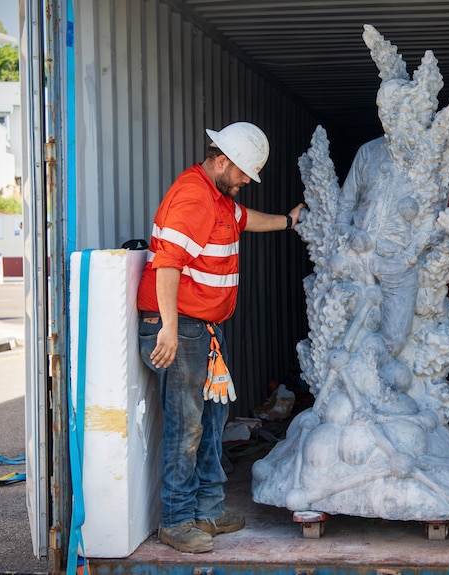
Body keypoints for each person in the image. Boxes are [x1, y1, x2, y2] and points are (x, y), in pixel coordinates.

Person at [136, 121, 305, 554]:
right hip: (182, 328)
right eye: (245, 172)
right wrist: (170, 329)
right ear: (222, 160)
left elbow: (249, 221)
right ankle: (176, 520)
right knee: (186, 424)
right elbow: (167, 265)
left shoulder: (221, 199)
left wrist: (289, 221)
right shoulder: (193, 196)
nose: (247, 181)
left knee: (212, 421)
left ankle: (209, 508)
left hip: (204, 329)